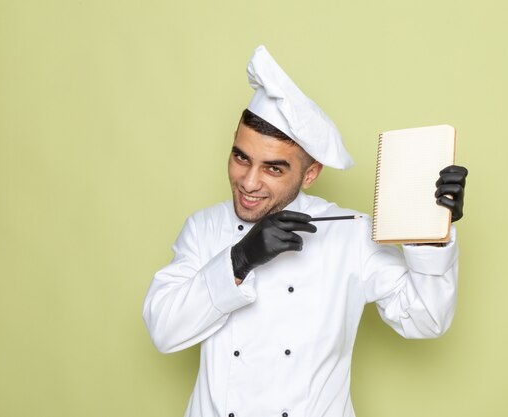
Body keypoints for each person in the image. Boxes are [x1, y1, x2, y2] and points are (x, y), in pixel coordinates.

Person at [143, 45, 468, 417]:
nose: (248, 182)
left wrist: (429, 230)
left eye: (273, 168)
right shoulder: (204, 228)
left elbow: (426, 321)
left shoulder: (351, 233)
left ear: (310, 174)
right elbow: (163, 331)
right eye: (240, 157)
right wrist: (239, 259)